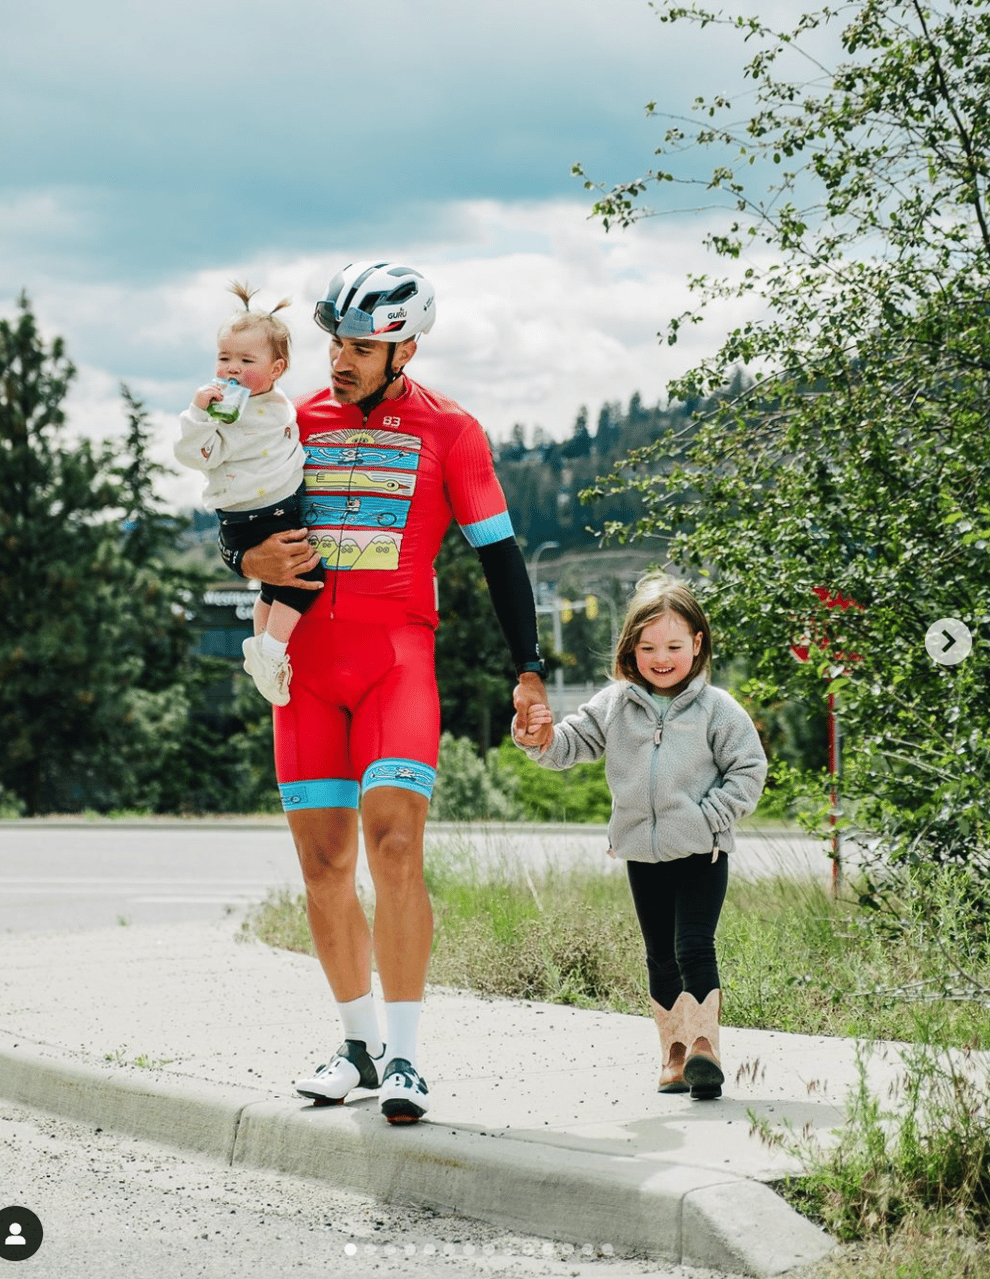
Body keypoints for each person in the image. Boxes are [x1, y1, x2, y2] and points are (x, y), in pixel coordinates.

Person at [229, 261, 549, 1123]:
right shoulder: (294, 421)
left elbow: (500, 557)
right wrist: (247, 561)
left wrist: (530, 669)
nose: (342, 359)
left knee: (395, 848)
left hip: (395, 664)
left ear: (404, 346)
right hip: (307, 672)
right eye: (336, 342)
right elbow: (244, 523)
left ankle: (407, 1058)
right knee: (324, 865)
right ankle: (358, 1045)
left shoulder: (452, 430)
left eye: (362, 347)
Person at [513, 573, 767, 1100]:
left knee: (693, 944)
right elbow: (568, 745)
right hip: (641, 855)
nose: (661, 657)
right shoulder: (615, 704)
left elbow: (749, 769)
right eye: (648, 646)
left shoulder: (717, 709)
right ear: (631, 649)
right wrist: (537, 737)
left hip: (702, 850)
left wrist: (708, 816)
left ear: (697, 645)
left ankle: (704, 1048)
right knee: (658, 954)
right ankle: (673, 1057)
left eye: (674, 646)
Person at [174, 282, 324, 706]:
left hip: (280, 508)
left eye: (245, 360)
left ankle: (261, 649)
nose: (232, 369)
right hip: (250, 515)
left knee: (273, 591)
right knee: (306, 578)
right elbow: (195, 455)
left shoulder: (279, 403)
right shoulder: (222, 412)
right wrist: (198, 416)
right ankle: (271, 654)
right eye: (224, 359)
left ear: (277, 370)